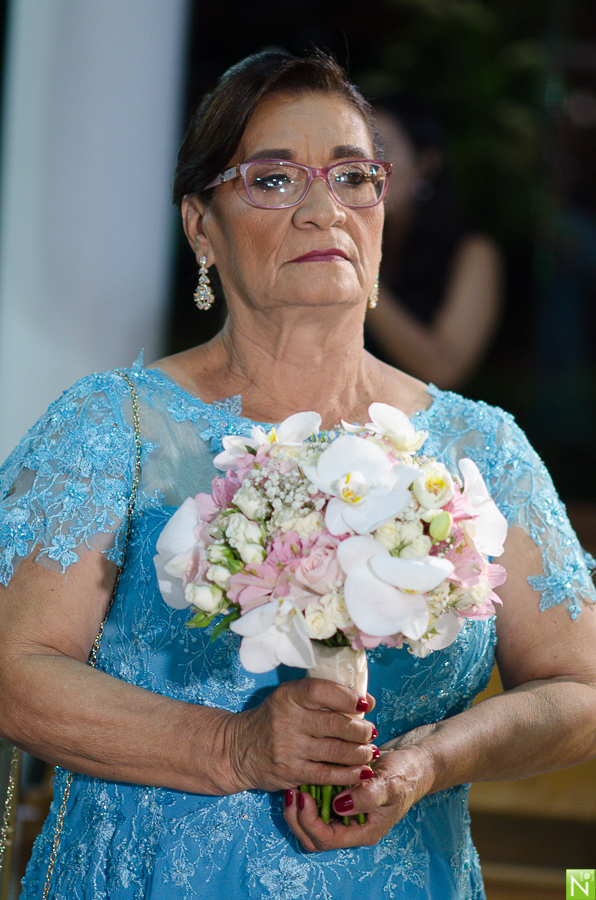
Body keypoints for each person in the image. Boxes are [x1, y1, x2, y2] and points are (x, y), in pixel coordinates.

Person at [0, 49, 595, 900]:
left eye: (355, 176)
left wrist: (427, 761)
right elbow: (14, 668)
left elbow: (580, 689)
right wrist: (231, 748)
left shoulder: (477, 447)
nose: (325, 209)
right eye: (274, 180)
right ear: (200, 226)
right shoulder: (116, 428)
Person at [365, 96, 503, 389]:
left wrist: (362, 278)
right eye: (356, 153)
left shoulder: (474, 253)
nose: (366, 169)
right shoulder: (363, 238)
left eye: (380, 151)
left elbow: (443, 371)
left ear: (426, 163)